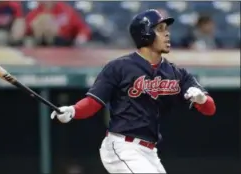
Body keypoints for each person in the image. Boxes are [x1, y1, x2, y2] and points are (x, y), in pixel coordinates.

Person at [50, 9, 216, 173]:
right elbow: (94, 102)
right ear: (145, 34)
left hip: (150, 151)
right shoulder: (119, 67)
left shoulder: (176, 73)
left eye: (167, 29)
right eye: (160, 29)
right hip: (122, 146)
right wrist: (73, 110)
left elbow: (210, 109)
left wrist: (202, 99)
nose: (167, 34)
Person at [25, 1, 91, 47]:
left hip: (65, 46)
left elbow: (83, 29)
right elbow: (26, 32)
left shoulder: (66, 11)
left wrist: (81, 37)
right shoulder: (33, 14)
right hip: (41, 47)